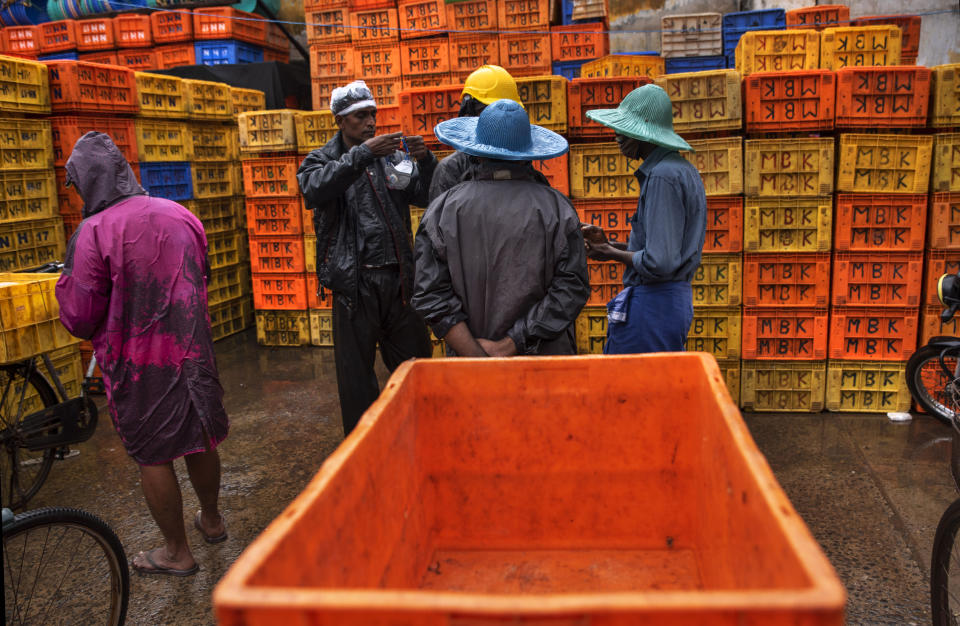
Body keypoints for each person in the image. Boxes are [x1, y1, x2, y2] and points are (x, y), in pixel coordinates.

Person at [55, 132, 229, 577]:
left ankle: (176, 551)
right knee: (201, 435)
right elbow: (201, 273)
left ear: (85, 182)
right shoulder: (180, 214)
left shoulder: (92, 232)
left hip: (140, 365)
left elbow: (78, 314)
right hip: (193, 353)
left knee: (154, 455)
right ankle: (212, 521)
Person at [297, 80, 436, 436]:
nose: (371, 122)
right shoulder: (321, 160)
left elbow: (422, 195)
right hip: (353, 287)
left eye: (373, 114)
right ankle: (363, 453)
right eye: (361, 116)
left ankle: (425, 435)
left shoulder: (389, 157)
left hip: (399, 281)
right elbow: (314, 189)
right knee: (356, 380)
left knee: (417, 365)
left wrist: (427, 161)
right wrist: (362, 155)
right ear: (340, 121)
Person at [412, 99, 589, 357]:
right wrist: (511, 344)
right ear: (528, 155)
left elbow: (430, 295)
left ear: (475, 152)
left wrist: (476, 355)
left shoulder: (442, 211)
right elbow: (571, 289)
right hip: (545, 365)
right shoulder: (558, 209)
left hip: (469, 368)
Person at [580, 84, 707, 354]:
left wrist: (610, 252)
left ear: (645, 134)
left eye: (625, 130)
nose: (617, 136)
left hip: (654, 306)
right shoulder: (681, 170)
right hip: (669, 303)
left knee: (630, 391)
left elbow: (659, 261)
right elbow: (666, 249)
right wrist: (612, 247)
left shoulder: (662, 176)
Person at [428, 65, 547, 203]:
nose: (500, 118)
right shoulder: (451, 170)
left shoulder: (524, 163)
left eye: (507, 113)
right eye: (490, 112)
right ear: (470, 113)